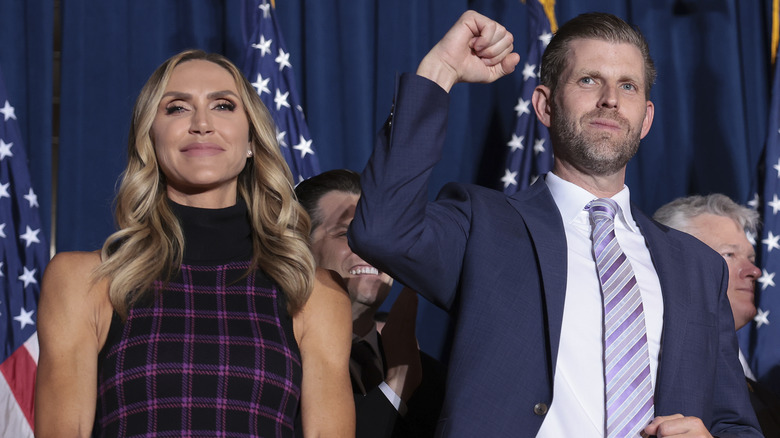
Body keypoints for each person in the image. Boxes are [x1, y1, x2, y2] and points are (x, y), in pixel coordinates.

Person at [348, 10, 761, 437]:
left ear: (646, 119)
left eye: (627, 86)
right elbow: (382, 230)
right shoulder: (485, 224)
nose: (610, 100)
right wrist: (439, 72)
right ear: (544, 105)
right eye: (588, 80)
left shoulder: (697, 267)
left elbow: (737, 424)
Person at [34, 50, 354, 437]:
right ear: (150, 139)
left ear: (252, 139)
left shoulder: (315, 293)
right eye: (176, 108)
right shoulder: (84, 281)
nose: (202, 124)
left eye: (222, 105)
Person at [295, 168, 445, 437]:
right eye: (346, 234)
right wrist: (397, 387)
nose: (367, 248)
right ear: (300, 247)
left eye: (377, 238)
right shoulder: (277, 362)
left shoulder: (433, 378)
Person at [654, 193, 780, 435]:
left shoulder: (767, 401)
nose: (754, 270)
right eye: (729, 255)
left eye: (751, 258)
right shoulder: (645, 367)